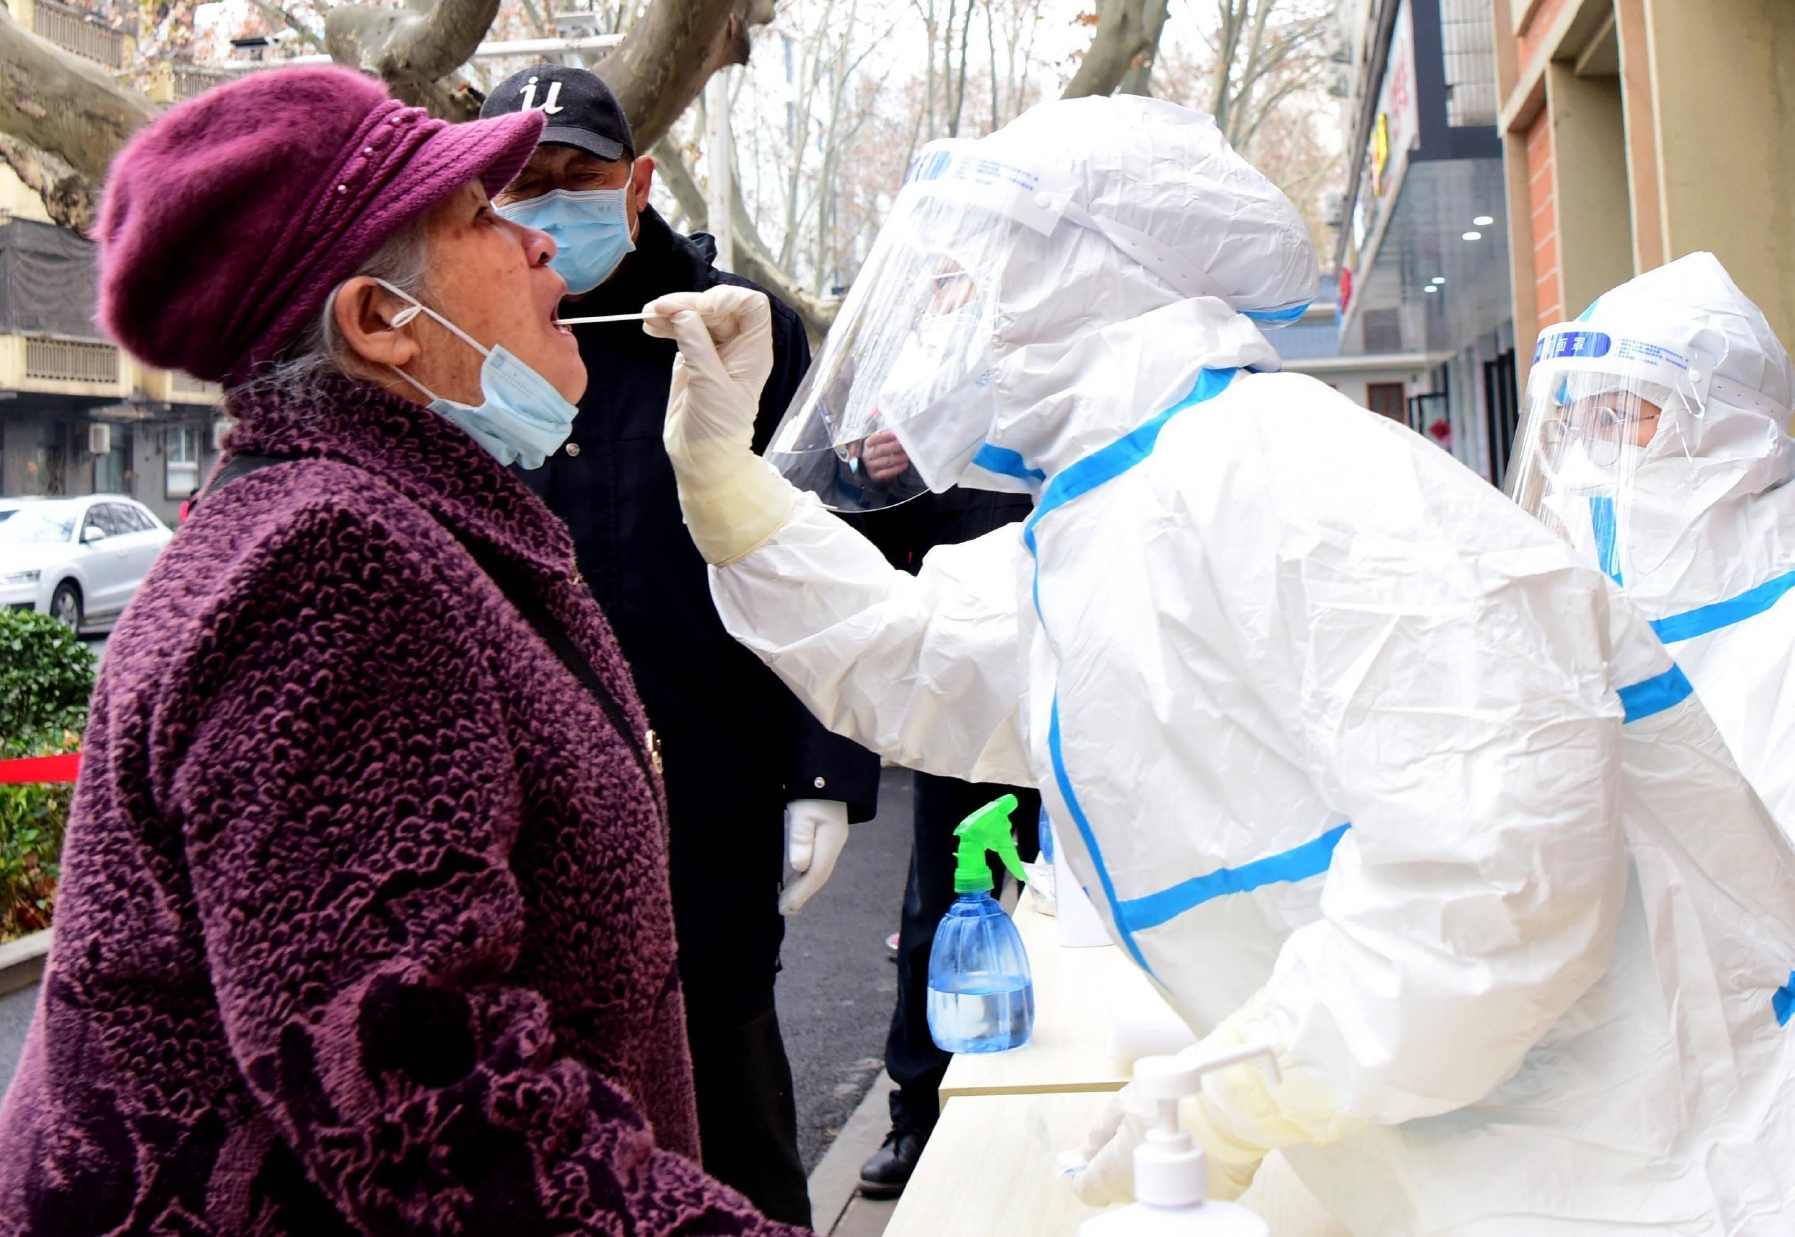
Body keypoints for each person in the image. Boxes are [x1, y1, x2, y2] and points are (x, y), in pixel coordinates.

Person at [642, 94, 1795, 1235]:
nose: (935, 322)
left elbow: (1498, 874)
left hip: (1665, 1164)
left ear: (1078, 275)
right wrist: (722, 484)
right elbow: (916, 659)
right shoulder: (1107, 519)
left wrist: (1242, 1087)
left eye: (957, 279)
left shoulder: (1310, 486)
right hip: (1464, 1149)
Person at [0, 67, 804, 1237]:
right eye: (482, 214)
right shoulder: (328, 563)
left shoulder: (383, 517)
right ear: (379, 321)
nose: (539, 245)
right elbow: (421, 1094)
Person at [476, 64, 879, 1226]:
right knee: (554, 1094)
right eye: (521, 186)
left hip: (712, 766)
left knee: (725, 1072)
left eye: (579, 180)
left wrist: (825, 770)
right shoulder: (478, 340)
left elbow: (824, 549)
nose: (548, 206)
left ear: (638, 180)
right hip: (536, 790)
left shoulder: (737, 327)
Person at [1509, 251, 1795, 838]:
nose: (1587, 462)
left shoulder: (1780, 630)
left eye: (1614, 419)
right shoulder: (1586, 620)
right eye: (1573, 427)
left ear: (1727, 427)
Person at [845, 484, 1042, 1198]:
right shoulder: (941, 401)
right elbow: (860, 535)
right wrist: (876, 472)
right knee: (942, 912)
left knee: (1103, 913)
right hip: (969, 705)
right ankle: (919, 1117)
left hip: (1093, 689)